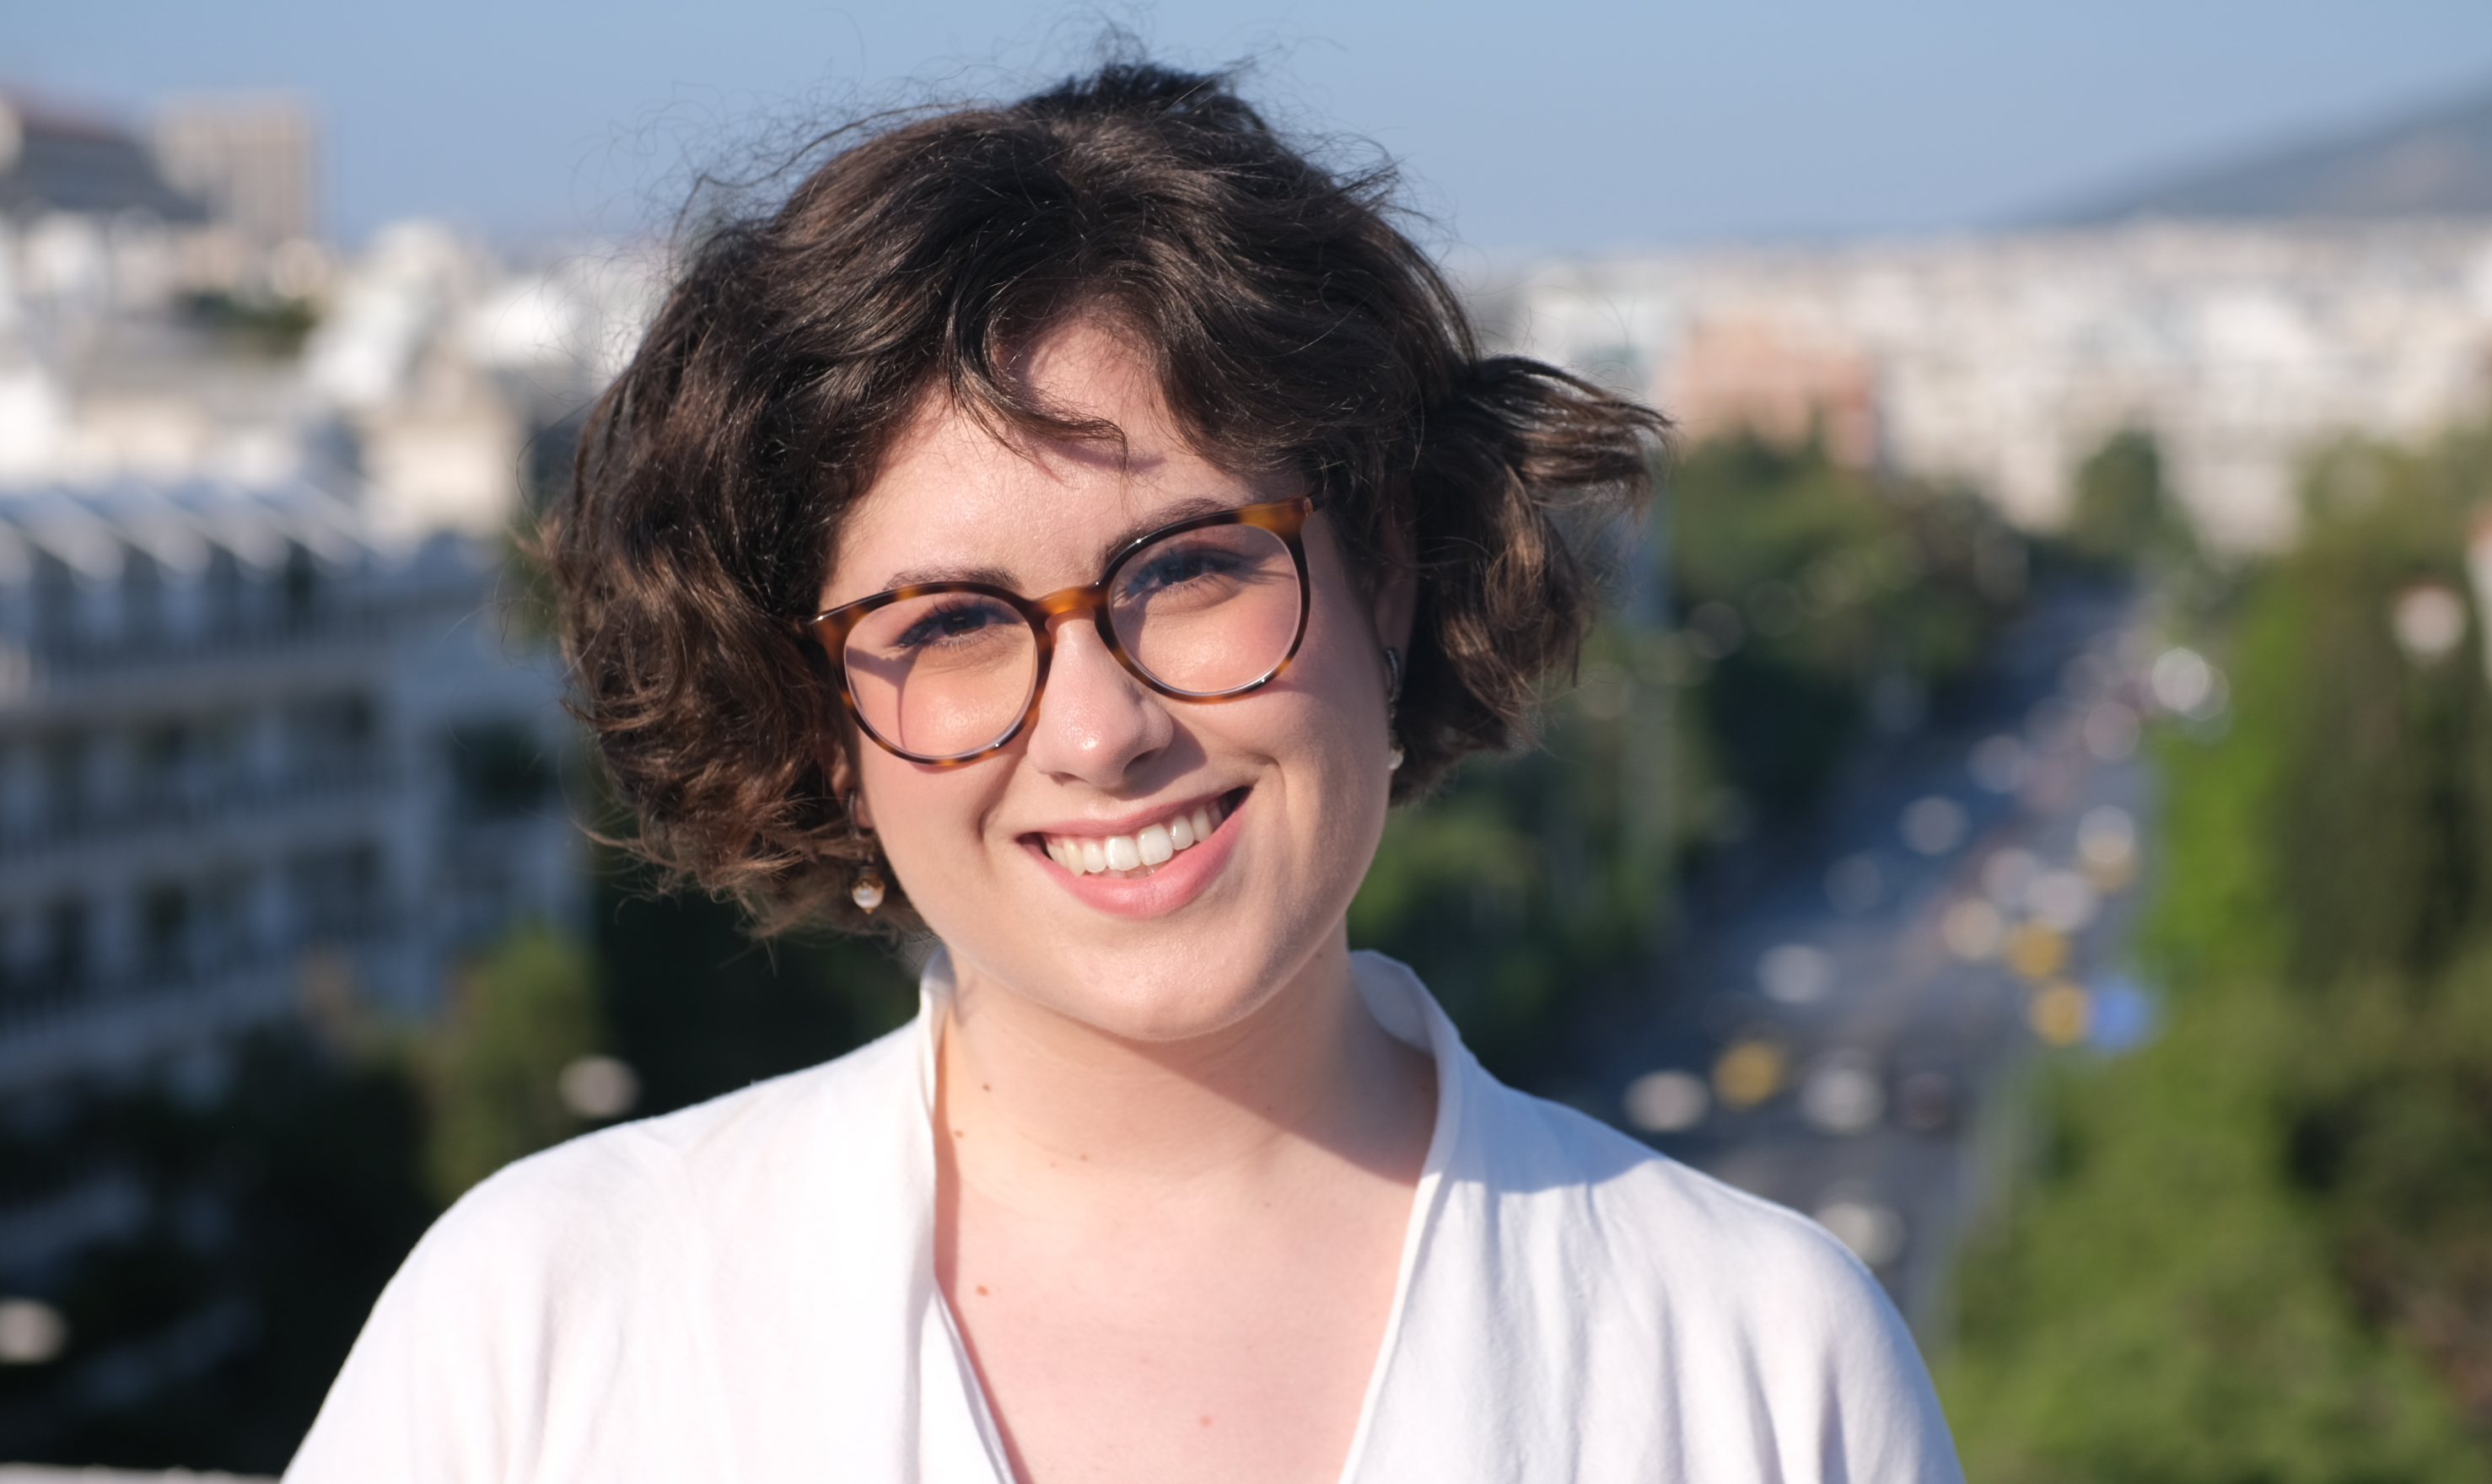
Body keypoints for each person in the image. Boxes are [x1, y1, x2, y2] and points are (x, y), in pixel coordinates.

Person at [286, 62, 1963, 1483]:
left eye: (1190, 568)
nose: (1100, 731)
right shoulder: (544, 1331)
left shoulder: (1757, 1360)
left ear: (1384, 573)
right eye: (951, 622)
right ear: (816, 716)